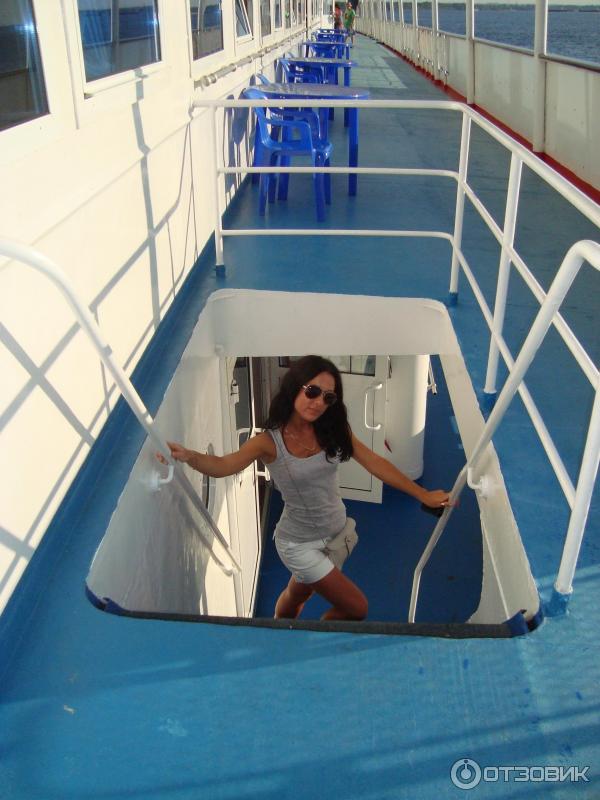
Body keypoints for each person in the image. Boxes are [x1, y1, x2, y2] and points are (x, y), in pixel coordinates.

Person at [160, 355, 451, 621]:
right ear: (294, 389)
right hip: (298, 544)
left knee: (298, 594)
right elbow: (224, 465)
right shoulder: (269, 442)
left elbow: (375, 463)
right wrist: (190, 456)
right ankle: (315, 636)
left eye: (328, 397)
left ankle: (280, 626)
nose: (318, 402)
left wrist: (423, 494)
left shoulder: (333, 430)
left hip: (335, 533)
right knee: (356, 608)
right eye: (312, 391)